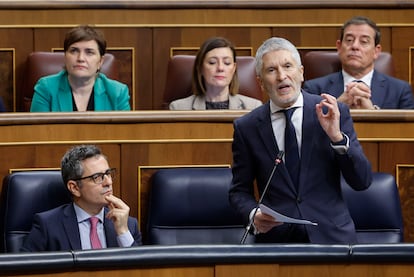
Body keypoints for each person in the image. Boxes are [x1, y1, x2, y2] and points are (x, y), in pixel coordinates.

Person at [229, 37, 372, 244]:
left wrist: (337, 137)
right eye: (271, 70)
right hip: (277, 242)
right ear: (260, 82)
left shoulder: (332, 112)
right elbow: (239, 191)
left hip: (331, 238)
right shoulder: (247, 127)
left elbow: (362, 181)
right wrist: (254, 214)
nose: (281, 76)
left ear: (301, 72)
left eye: (288, 66)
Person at [21, 144, 142, 251]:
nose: (108, 182)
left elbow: (142, 272)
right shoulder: (48, 225)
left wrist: (123, 232)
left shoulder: (128, 224)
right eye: (97, 177)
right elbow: (22, 270)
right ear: (74, 188)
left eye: (108, 174)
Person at [303, 16, 414, 109]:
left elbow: (406, 131)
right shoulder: (314, 89)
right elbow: (305, 128)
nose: (355, 46)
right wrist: (338, 106)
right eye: (349, 40)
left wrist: (372, 113)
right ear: (339, 47)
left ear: (376, 51)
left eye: (364, 42)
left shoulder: (400, 90)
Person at [30, 25, 130, 112]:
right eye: (74, 51)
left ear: (100, 61)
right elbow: (38, 132)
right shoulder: (46, 88)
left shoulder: (117, 92)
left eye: (89, 52)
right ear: (65, 56)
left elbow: (125, 133)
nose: (81, 58)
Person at [169, 37, 262, 110]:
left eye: (227, 63)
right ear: (200, 68)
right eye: (212, 62)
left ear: (234, 69)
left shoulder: (253, 107)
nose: (220, 68)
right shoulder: (179, 108)